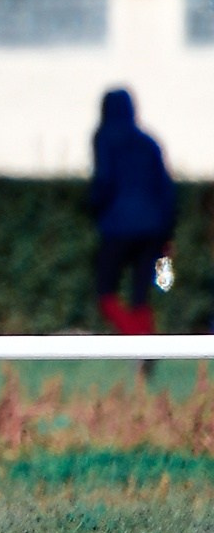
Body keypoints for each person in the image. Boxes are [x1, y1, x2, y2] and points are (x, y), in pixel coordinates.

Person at [86, 88, 176, 346]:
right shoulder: (148, 142)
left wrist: (92, 207)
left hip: (117, 227)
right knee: (141, 295)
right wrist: (167, 232)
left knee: (105, 293)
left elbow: (104, 181)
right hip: (153, 228)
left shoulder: (105, 137)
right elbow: (166, 189)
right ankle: (146, 347)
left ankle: (138, 342)